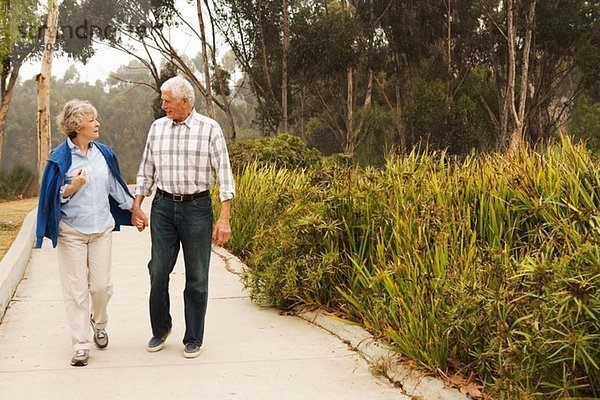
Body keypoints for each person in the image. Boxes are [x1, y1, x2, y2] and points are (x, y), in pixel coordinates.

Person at [131, 76, 235, 358]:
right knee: (158, 270)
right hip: (163, 207)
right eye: (162, 100)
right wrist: (137, 205)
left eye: (167, 100)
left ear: (185, 101)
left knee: (197, 276)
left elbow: (224, 176)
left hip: (197, 209)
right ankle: (160, 329)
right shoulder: (157, 128)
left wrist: (223, 219)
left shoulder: (209, 129)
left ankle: (193, 337)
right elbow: (146, 170)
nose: (162, 105)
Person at [35, 100, 134, 367]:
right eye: (92, 120)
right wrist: (73, 186)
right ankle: (80, 344)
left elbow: (116, 187)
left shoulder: (103, 153)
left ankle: (98, 323)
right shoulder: (59, 159)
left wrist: (135, 210)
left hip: (101, 228)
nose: (97, 124)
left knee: (101, 286)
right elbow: (50, 198)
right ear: (77, 126)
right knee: (76, 290)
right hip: (72, 232)